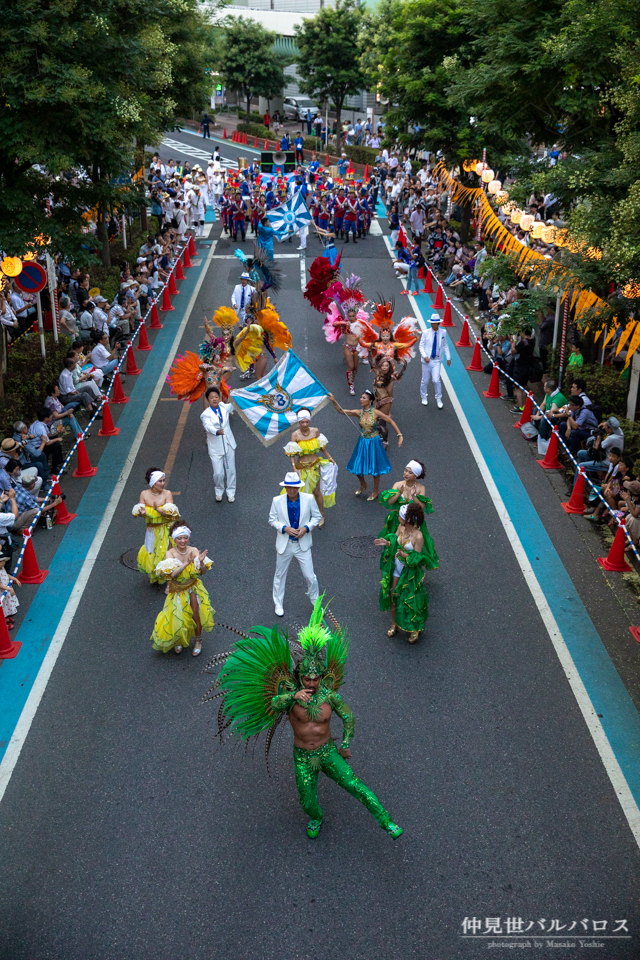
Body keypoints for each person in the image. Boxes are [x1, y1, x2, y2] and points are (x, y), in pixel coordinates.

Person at [207, 597, 403, 839]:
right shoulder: (289, 695)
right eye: (306, 679)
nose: (311, 683)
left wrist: (345, 745)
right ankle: (316, 817)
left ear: (322, 677)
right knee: (307, 800)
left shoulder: (331, 696)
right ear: (299, 677)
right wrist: (293, 696)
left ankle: (387, 822)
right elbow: (273, 703)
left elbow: (349, 718)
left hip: (328, 753)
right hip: (302, 756)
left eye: (315, 678)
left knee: (356, 787)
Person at [150, 522, 214, 657]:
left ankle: (198, 641)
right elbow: (172, 575)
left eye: (185, 538)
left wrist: (201, 562)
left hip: (192, 588)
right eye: (179, 538)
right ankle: (179, 639)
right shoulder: (170, 553)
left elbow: (202, 572)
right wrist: (186, 564)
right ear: (174, 539)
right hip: (177, 590)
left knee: (196, 615)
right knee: (178, 617)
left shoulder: (194, 550)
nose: (183, 541)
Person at [328, 390, 403, 501]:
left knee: (375, 468)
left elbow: (390, 421)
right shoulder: (358, 412)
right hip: (363, 441)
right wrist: (334, 401)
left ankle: (375, 491)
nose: (361, 399)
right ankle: (363, 484)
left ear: (370, 401)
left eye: (364, 398)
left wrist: (399, 435)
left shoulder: (376, 413)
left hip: (374, 442)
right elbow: (341, 411)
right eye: (361, 397)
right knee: (357, 466)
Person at [376, 502, 431, 643]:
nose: (398, 517)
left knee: (411, 599)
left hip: (410, 572)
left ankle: (415, 629)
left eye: (401, 516)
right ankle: (394, 624)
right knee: (394, 594)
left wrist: (403, 554)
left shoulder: (418, 536)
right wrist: (387, 543)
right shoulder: (400, 527)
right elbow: (394, 542)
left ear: (407, 519)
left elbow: (417, 559)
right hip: (397, 567)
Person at [268, 472, 321, 617]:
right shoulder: (277, 500)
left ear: (298, 487)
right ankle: (278, 603)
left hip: (302, 545)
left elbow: (316, 517)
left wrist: (306, 528)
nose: (292, 490)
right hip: (285, 544)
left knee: (310, 576)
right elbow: (272, 519)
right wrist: (285, 528)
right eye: (289, 487)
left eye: (294, 487)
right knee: (280, 574)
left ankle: (316, 602)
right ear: (285, 487)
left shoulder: (309, 499)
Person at [378, 460, 438, 565]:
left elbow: (422, 507)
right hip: (398, 519)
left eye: (410, 472)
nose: (406, 473)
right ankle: (394, 561)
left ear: (416, 476)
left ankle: (409, 561)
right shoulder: (398, 485)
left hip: (412, 521)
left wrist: (414, 496)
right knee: (395, 539)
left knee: (411, 542)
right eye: (406, 470)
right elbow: (390, 502)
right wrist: (399, 493)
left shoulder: (420, 488)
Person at [284, 410, 336, 528]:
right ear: (299, 422)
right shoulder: (295, 435)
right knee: (301, 493)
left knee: (316, 492)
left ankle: (321, 515)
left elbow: (322, 447)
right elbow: (292, 453)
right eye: (302, 422)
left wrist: (330, 457)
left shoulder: (315, 431)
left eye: (307, 422)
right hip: (301, 467)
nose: (305, 425)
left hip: (314, 466)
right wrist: (293, 467)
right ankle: (303, 516)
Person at [132, 469, 180, 584]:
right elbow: (140, 511)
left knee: (166, 553)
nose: (163, 483)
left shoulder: (167, 494)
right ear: (153, 483)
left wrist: (158, 510)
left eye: (163, 481)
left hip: (165, 528)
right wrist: (142, 513)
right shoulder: (144, 494)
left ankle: (169, 581)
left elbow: (171, 515)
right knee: (151, 551)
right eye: (160, 481)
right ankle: (155, 575)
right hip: (151, 530)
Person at [200, 386, 237, 503]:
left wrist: (237, 394)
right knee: (218, 473)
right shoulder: (205, 414)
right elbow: (208, 426)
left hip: (229, 443)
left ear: (220, 397)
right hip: (215, 447)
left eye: (216, 397)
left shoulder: (224, 407)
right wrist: (217, 431)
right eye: (211, 398)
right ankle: (219, 490)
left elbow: (235, 404)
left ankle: (231, 492)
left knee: (231, 470)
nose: (214, 399)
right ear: (208, 400)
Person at [419, 314, 451, 409]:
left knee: (436, 380)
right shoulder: (425, 333)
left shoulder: (443, 333)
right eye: (431, 323)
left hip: (437, 360)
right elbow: (421, 346)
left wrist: (448, 358)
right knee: (425, 380)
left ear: (438, 323)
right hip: (427, 361)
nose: (432, 325)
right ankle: (424, 396)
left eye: (434, 323)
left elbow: (445, 345)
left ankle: (438, 398)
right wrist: (425, 356)